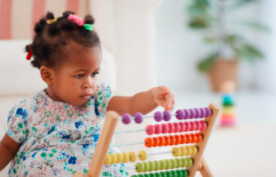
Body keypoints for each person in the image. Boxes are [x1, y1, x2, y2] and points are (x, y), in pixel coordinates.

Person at [0, 11, 175, 177]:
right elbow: (7, 147)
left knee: (113, 161)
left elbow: (130, 105)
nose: (89, 83)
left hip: (93, 165)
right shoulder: (28, 109)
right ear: (48, 75)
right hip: (48, 166)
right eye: (79, 75)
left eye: (94, 74)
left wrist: (152, 96)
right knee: (40, 166)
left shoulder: (97, 99)